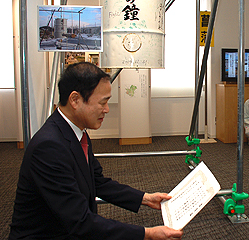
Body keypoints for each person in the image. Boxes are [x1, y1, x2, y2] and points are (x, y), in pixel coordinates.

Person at [9, 62, 183, 240]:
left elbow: (97, 181)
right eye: (103, 102)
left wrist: (145, 198)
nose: (107, 109)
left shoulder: (75, 132)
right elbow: (80, 222)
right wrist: (148, 234)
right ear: (75, 100)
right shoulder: (48, 147)